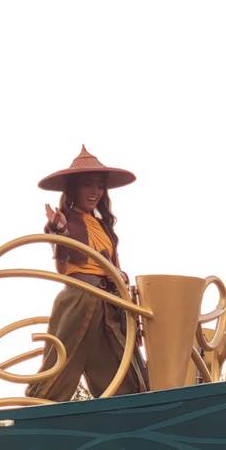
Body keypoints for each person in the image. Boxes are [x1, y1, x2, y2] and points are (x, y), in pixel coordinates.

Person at [25, 145, 148, 402]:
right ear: (73, 189)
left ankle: (129, 413)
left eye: (99, 186)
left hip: (110, 303)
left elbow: (113, 264)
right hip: (81, 298)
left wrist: (119, 276)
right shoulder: (66, 221)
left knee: (122, 371)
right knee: (59, 366)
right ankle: (38, 412)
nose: (95, 192)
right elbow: (62, 264)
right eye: (87, 185)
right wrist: (59, 231)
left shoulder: (103, 225)